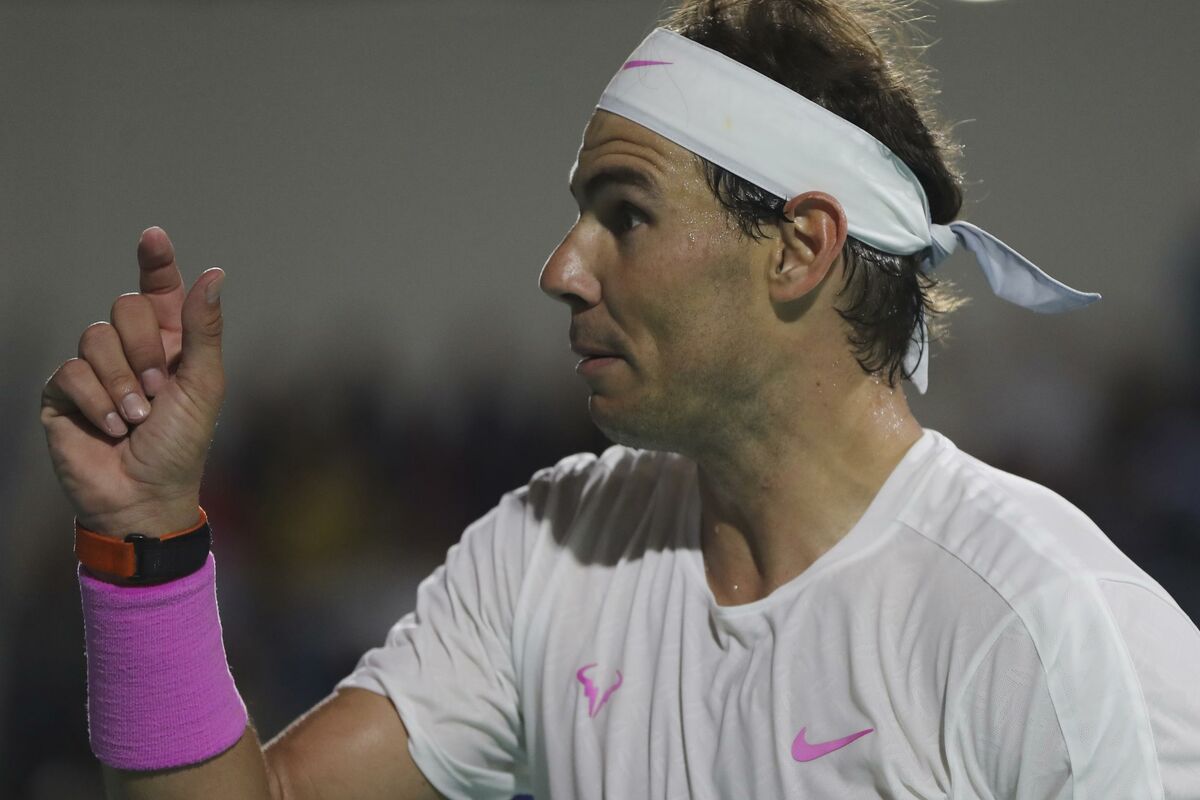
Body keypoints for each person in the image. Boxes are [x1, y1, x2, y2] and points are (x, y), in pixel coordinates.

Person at [40, 1, 1200, 798]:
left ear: (799, 246)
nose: (562, 267)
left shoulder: (1047, 626)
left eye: (625, 213)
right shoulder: (550, 553)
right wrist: (146, 536)